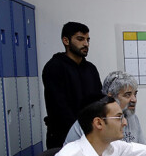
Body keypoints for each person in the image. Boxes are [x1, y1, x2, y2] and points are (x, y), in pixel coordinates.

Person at [42, 21, 102, 149]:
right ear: (66, 40)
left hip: (91, 135)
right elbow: (59, 108)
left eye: (87, 40)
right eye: (80, 39)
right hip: (63, 136)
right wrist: (80, 131)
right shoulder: (54, 67)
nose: (86, 44)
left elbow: (98, 101)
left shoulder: (91, 69)